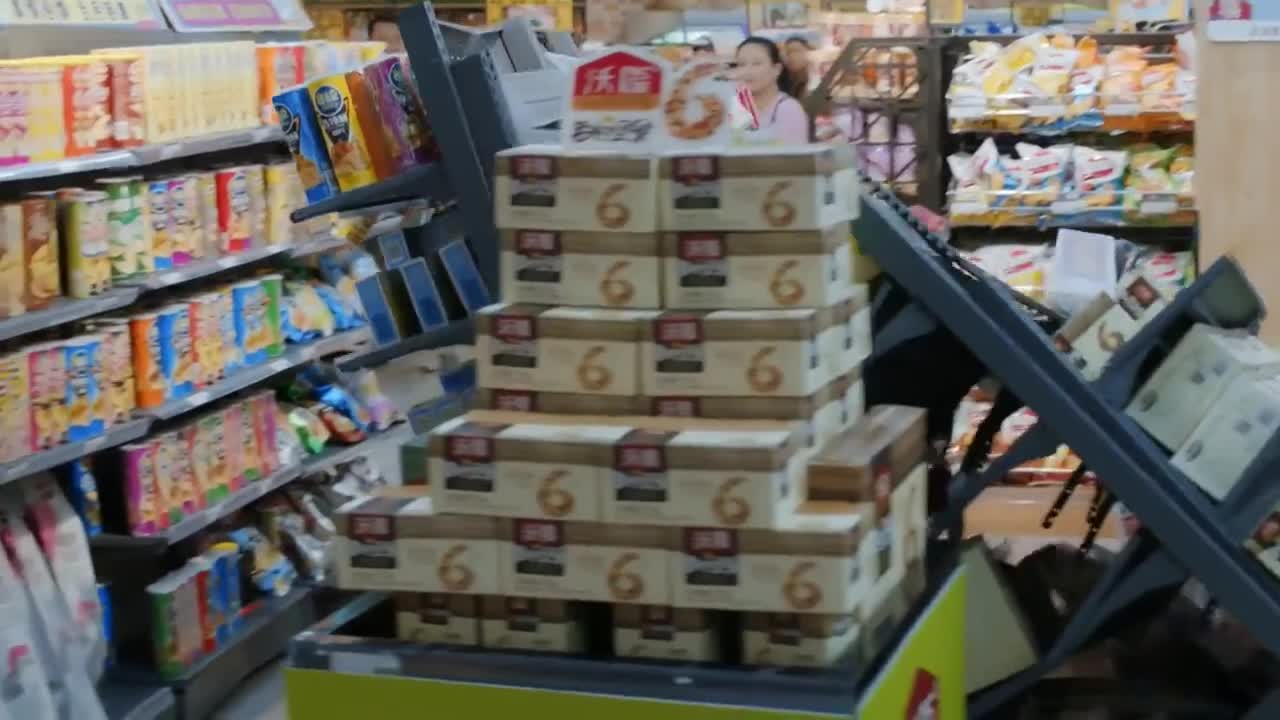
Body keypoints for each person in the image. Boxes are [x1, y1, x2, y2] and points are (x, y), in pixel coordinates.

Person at [734, 36, 810, 145]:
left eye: (757, 63)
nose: (748, 71)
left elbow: (793, 154)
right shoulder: (735, 108)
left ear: (776, 69)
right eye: (742, 64)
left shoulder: (788, 109)